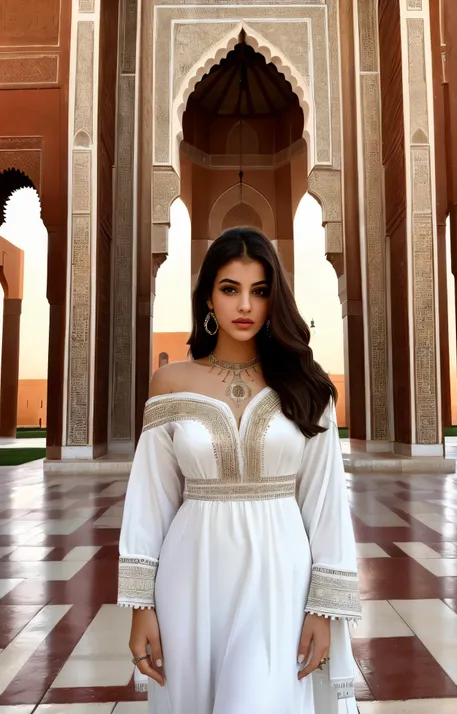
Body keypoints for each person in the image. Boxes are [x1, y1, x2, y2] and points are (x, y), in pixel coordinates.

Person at [117, 227, 361, 714]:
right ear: (209, 296)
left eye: (260, 291)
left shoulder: (306, 387)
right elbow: (151, 500)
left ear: (276, 300)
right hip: (190, 577)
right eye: (230, 289)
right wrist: (141, 607)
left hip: (281, 581)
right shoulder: (170, 383)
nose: (245, 305)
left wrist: (323, 610)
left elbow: (326, 501)